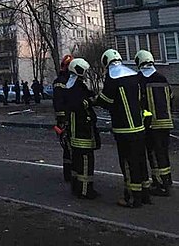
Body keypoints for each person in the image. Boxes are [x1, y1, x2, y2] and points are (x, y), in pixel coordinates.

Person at [96, 49, 150, 208]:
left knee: (128, 163)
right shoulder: (133, 74)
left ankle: (132, 198)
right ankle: (145, 194)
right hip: (139, 126)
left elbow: (105, 101)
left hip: (124, 129)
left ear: (106, 62)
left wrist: (95, 100)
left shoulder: (112, 77)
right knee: (140, 161)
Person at [135, 49, 173, 196]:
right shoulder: (162, 78)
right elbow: (170, 97)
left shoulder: (141, 80)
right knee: (163, 152)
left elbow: (139, 102)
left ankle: (160, 184)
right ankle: (167, 180)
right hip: (165, 122)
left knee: (154, 154)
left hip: (151, 124)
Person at [65, 58, 100, 199]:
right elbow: (81, 104)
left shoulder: (72, 85)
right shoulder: (76, 88)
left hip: (76, 129)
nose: (86, 73)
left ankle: (77, 187)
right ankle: (85, 190)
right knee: (85, 160)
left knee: (77, 161)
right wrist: (93, 100)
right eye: (84, 71)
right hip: (82, 130)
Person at [53, 53, 74, 182]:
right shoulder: (61, 82)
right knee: (68, 148)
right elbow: (59, 104)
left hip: (70, 119)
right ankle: (69, 174)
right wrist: (62, 121)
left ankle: (70, 173)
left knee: (69, 148)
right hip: (66, 121)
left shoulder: (68, 80)